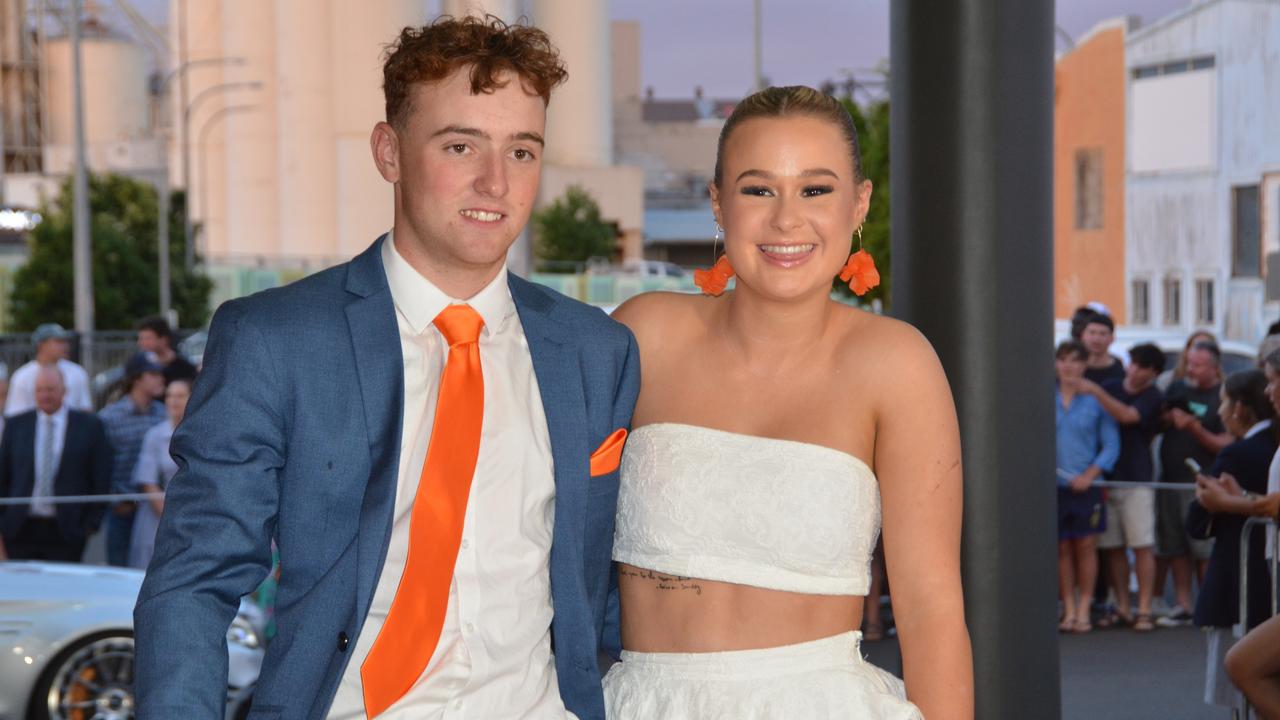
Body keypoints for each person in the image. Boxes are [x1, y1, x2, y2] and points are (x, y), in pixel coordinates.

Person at [134, 16, 639, 720]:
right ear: (389, 152)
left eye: (522, 151)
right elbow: (194, 581)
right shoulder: (275, 341)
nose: (495, 181)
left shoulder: (595, 351)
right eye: (460, 145)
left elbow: (607, 593)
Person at [608, 86, 972, 719]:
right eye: (757, 189)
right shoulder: (645, 335)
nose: (786, 220)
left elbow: (931, 609)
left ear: (858, 203)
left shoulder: (896, 363)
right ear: (718, 204)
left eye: (815, 189)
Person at [1185, 369, 1276, 711]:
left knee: (1244, 672)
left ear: (1238, 407)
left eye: (1223, 401)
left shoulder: (1239, 453)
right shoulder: (1268, 446)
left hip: (1245, 583)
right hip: (1262, 577)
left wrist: (1222, 503)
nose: (1219, 410)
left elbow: (1197, 521)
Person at [1067, 342, 1165, 631]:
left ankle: (1144, 608)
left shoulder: (1152, 396)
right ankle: (1122, 605)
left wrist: (1096, 391)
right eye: (1132, 363)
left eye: (1141, 366)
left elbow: (1127, 416)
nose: (1133, 370)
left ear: (1154, 372)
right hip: (1106, 479)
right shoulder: (1112, 384)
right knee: (1113, 548)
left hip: (1137, 478)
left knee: (1142, 544)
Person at [0, 366, 113, 561]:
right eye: (40, 390)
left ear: (64, 390)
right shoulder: (16, 425)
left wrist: (89, 525)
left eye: (50, 389)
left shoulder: (89, 426)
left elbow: (101, 477)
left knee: (64, 590)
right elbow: (3, 474)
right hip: (20, 529)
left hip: (68, 530)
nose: (45, 395)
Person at [1155, 341, 1232, 627]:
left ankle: (1207, 604)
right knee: (1175, 544)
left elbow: (1225, 443)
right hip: (1171, 478)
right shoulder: (1177, 389)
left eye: (1198, 365)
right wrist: (1166, 418)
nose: (1191, 370)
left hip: (1203, 482)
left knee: (1203, 548)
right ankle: (1183, 603)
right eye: (1189, 363)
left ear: (1214, 367)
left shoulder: (1222, 397)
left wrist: (1194, 428)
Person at [1053, 340, 1120, 634]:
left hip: (1087, 485)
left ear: (1084, 365)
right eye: (1063, 360)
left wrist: (1090, 475)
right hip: (1054, 485)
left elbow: (1111, 444)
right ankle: (1068, 608)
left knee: (1086, 545)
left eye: (1075, 361)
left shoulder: (1094, 400)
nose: (1069, 367)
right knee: (1062, 548)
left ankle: (1084, 609)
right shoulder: (1046, 396)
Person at [97, 353, 167, 567]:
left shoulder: (163, 414)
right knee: (119, 575)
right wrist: (115, 501)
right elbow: (100, 466)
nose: (160, 379)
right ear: (136, 378)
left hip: (154, 511)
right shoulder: (109, 418)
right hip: (123, 511)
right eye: (153, 374)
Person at [127, 379, 190, 570]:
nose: (174, 401)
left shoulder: (202, 434)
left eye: (180, 396)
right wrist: (172, 521)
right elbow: (148, 481)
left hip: (192, 516)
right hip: (157, 520)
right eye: (170, 395)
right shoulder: (154, 435)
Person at [4, 323, 92, 416]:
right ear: (41, 345)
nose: (65, 345)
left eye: (65, 342)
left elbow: (85, 409)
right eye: (58, 341)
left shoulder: (78, 372)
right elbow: (15, 414)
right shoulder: (22, 376)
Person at [135, 316, 199, 385]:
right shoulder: (138, 366)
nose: (141, 343)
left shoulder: (185, 369)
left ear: (164, 339)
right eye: (140, 339)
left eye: (147, 338)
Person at [1080, 312, 1124, 385]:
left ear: (1112, 338)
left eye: (1102, 334)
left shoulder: (1119, 373)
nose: (1096, 339)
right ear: (1082, 336)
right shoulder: (1072, 370)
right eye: (1092, 333)